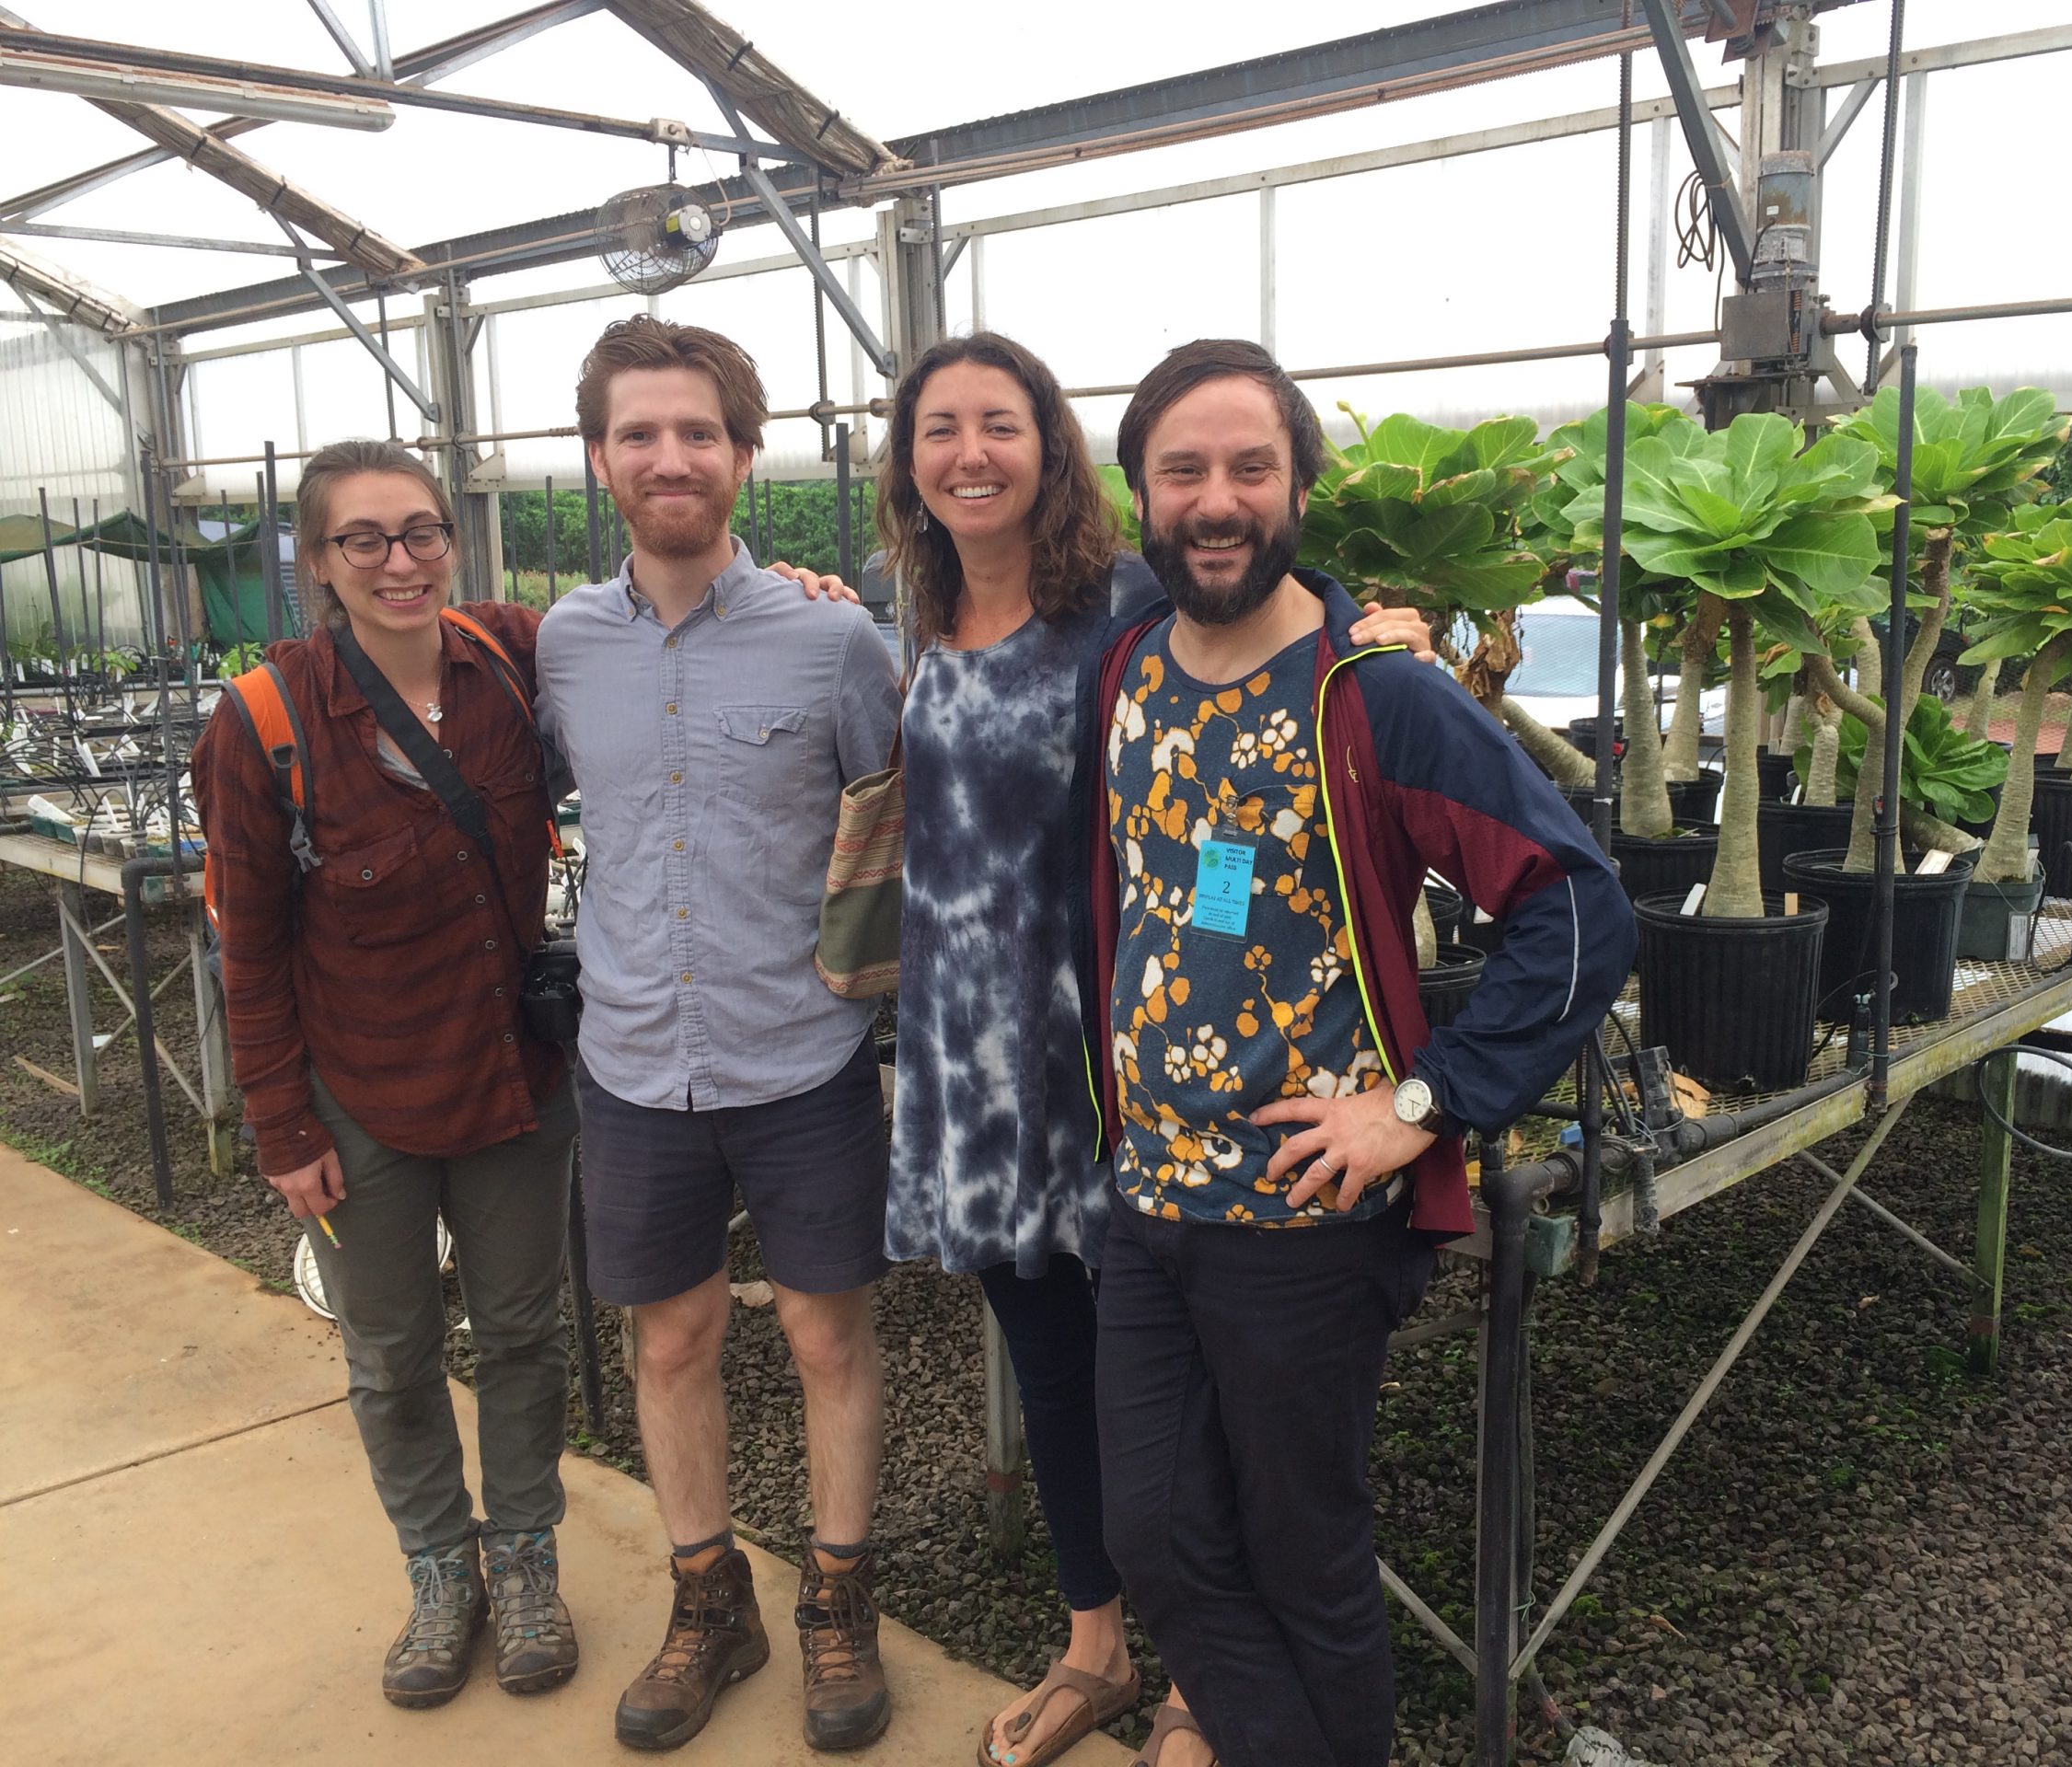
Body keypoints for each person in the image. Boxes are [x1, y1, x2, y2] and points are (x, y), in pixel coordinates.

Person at [793, 331, 1429, 1767]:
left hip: (1119, 1052)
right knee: (1055, 1360)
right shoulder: (918, 605)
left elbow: (1262, 614)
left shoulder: (1127, 600)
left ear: (1054, 449)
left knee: (1180, 1377)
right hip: (972, 1058)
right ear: (906, 462)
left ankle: (1211, 1684)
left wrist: (1369, 634)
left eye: (1000, 424)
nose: (969, 453)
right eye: (938, 428)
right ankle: (1100, 1647)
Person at [1080, 340, 1638, 1767]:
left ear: (1298, 491)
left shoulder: (1379, 697)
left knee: (1305, 1553)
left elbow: (1573, 905)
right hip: (1148, 1199)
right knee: (1152, 1529)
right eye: (1183, 470)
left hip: (1304, 1209)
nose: (1216, 501)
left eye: (1248, 469)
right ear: (1139, 493)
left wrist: (1427, 1103)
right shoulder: (1132, 670)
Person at [533, 316, 900, 1754]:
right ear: (600, 457)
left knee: (826, 1331)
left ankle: (837, 1600)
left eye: (698, 432)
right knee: (672, 1336)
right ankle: (710, 1600)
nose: (669, 457)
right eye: (640, 433)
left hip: (800, 1049)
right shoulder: (563, 642)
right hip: (632, 1057)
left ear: (747, 455)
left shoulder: (831, 636)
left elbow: (894, 822)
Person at [191, 438, 580, 1711]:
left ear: (450, 542)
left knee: (524, 1334)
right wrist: (281, 1126)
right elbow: (247, 948)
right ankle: (438, 1569)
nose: (400, 560)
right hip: (361, 1096)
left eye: (421, 532)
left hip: (513, 1080)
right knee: (393, 1353)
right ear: (317, 563)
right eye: (364, 539)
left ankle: (523, 1558)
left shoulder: (511, 660)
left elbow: (655, 607)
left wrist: (793, 583)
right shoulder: (262, 723)